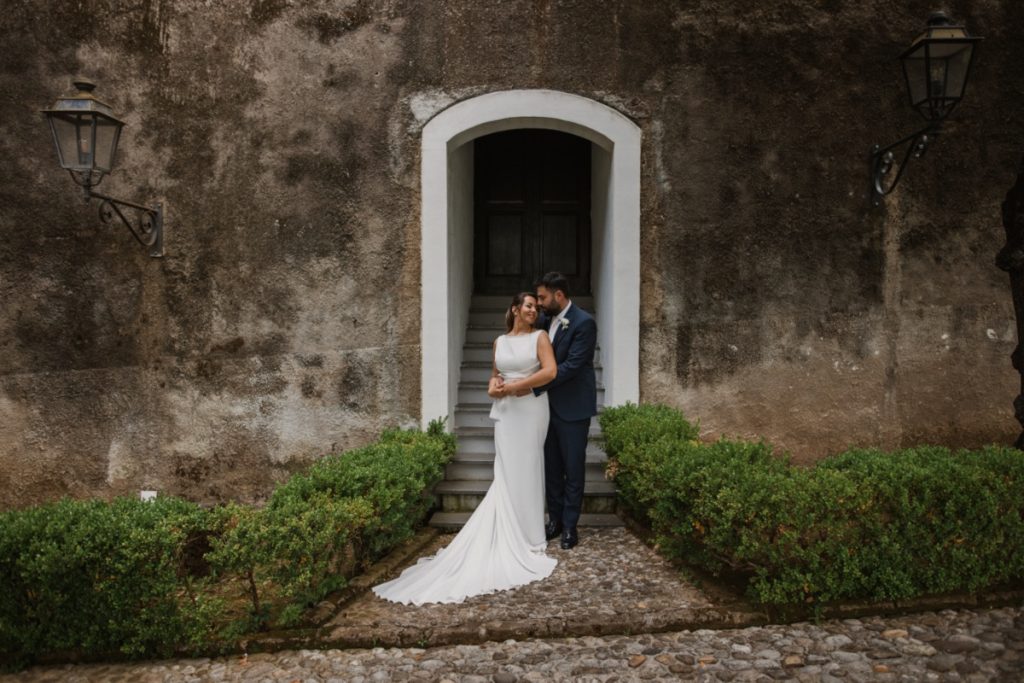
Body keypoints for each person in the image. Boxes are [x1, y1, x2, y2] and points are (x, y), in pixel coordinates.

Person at [372, 292, 558, 605]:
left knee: (528, 466)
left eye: (536, 308)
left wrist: (513, 388)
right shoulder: (499, 341)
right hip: (507, 413)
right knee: (507, 469)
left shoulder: (540, 337)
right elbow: (495, 375)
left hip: (531, 409)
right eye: (528, 306)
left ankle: (529, 536)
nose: (533, 311)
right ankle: (507, 531)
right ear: (514, 309)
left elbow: (550, 372)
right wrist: (492, 387)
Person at [532, 272, 598, 550]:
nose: (539, 303)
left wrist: (533, 385)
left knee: (573, 470)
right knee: (551, 468)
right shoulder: (545, 321)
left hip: (573, 409)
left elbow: (571, 366)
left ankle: (571, 526)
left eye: (543, 297)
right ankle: (554, 521)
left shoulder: (584, 323)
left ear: (559, 295)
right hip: (546, 410)